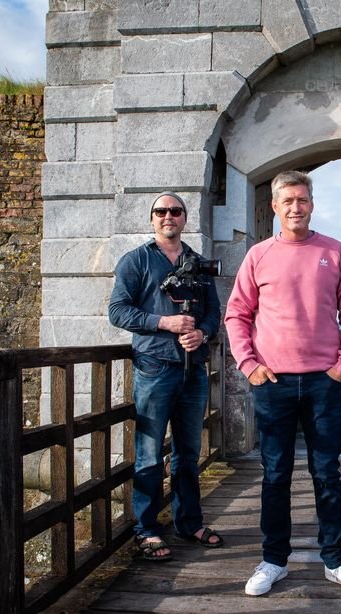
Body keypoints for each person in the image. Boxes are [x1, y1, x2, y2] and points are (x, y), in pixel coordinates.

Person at [224, 170, 341, 597]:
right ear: (274, 206)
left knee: (327, 473)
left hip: (325, 381)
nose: (295, 207)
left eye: (302, 200)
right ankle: (273, 560)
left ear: (312, 203)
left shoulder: (335, 252)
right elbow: (237, 315)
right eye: (287, 201)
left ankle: (336, 559)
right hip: (273, 383)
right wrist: (248, 364)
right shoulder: (258, 256)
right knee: (275, 474)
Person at [108, 192, 224, 561]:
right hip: (154, 367)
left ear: (184, 218)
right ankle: (146, 529)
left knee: (188, 452)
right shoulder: (136, 261)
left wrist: (201, 333)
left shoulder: (198, 264)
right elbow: (118, 312)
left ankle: (188, 523)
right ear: (152, 218)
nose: (168, 216)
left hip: (193, 370)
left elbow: (213, 313)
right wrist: (164, 322)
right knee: (148, 454)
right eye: (161, 211)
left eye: (175, 211)